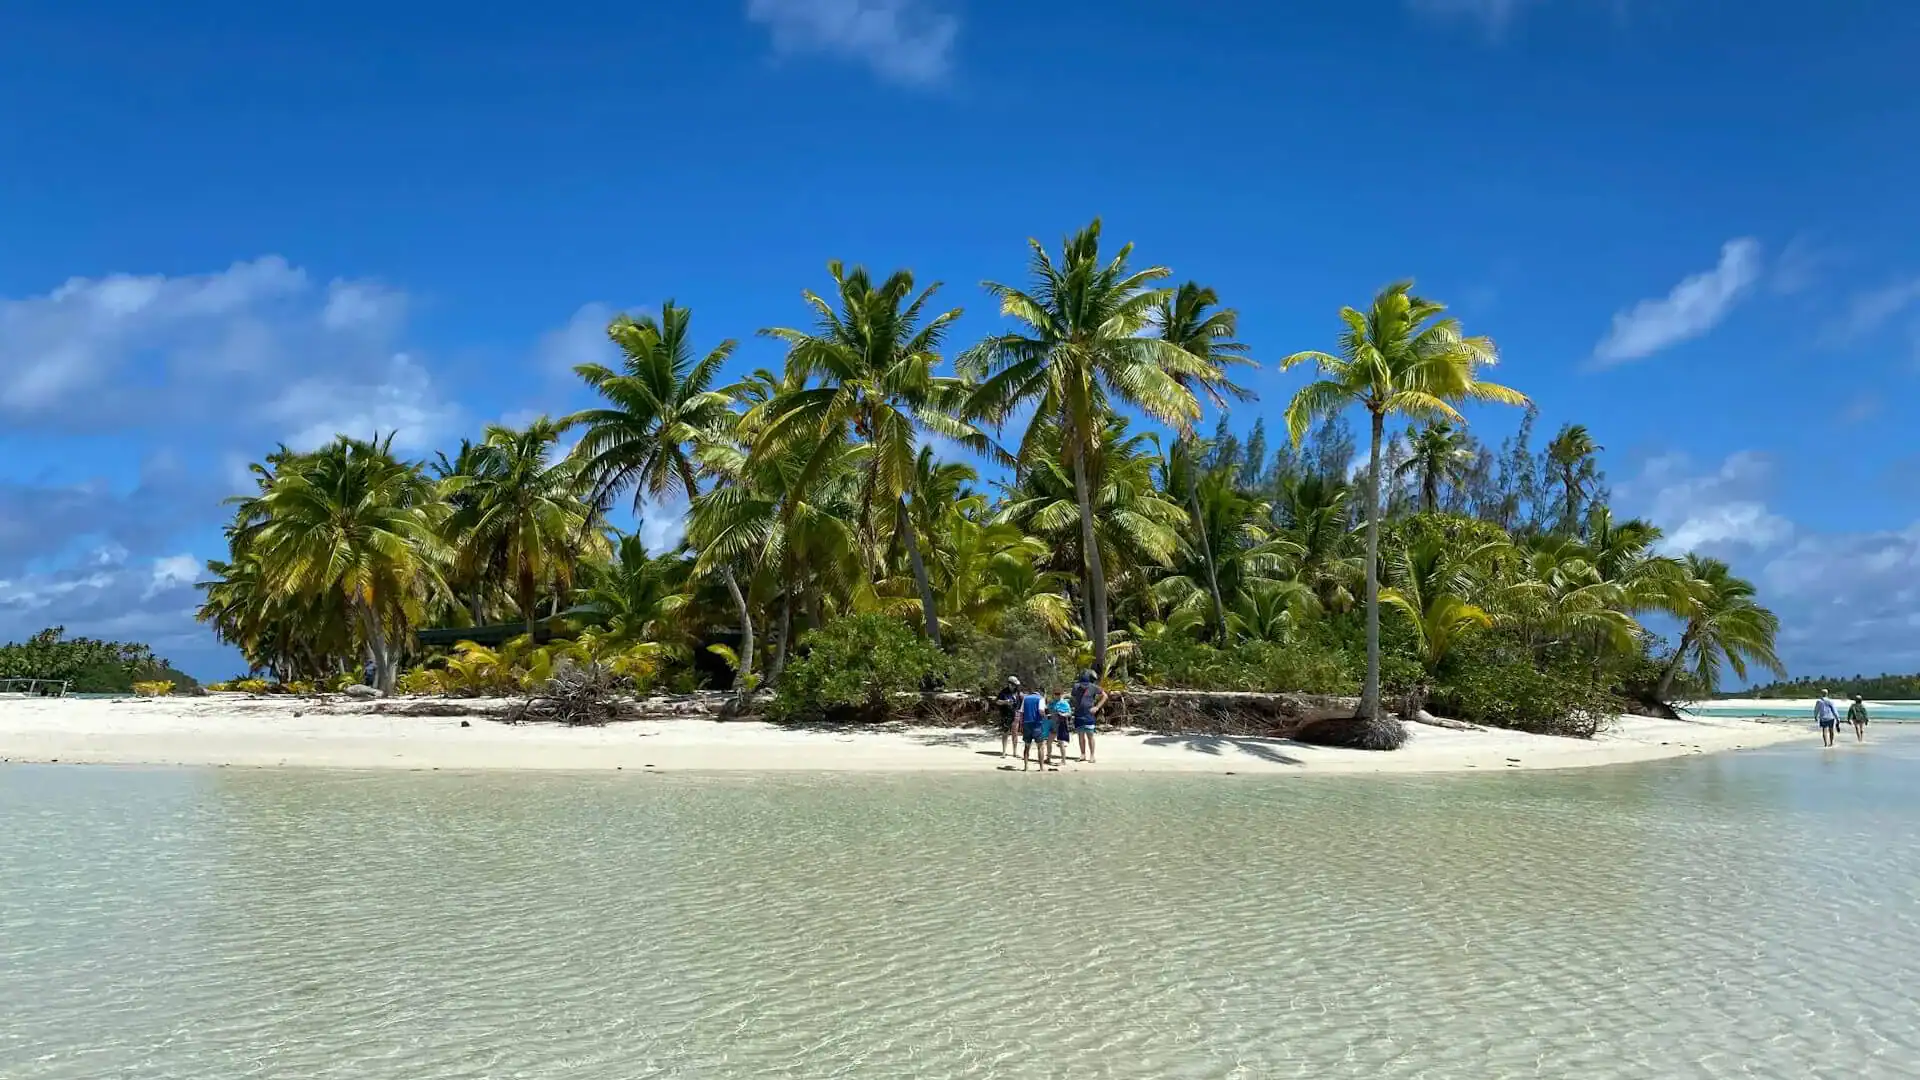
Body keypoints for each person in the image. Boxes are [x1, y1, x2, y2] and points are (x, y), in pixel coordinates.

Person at [1071, 669, 1108, 764]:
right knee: (1080, 736)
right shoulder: (1075, 687)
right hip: (1078, 715)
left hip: (1089, 716)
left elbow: (1105, 696)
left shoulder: (1093, 687)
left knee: (1090, 736)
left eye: (1086, 684)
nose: (1084, 686)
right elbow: (1073, 698)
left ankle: (1092, 756)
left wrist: (1097, 707)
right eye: (1083, 684)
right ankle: (1082, 754)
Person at [1020, 686, 1051, 770]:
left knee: (1027, 746)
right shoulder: (1040, 698)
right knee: (1040, 746)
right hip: (1037, 724)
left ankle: (1026, 767)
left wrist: (1021, 725)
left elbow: (1021, 712)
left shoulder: (1025, 698)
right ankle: (1041, 767)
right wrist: (1046, 717)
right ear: (1041, 692)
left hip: (1026, 724)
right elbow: (1041, 711)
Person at [994, 677, 1023, 758]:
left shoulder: (1018, 692)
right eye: (1014, 685)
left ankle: (1015, 752)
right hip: (1006, 715)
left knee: (1015, 733)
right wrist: (1005, 702)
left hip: (1016, 715)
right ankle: (1004, 752)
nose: (1015, 687)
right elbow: (997, 701)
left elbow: (1022, 702)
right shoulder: (1003, 692)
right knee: (1005, 733)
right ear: (1010, 684)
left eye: (1016, 685)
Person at [1049, 694, 1073, 760]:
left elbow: (1069, 713)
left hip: (1061, 724)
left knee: (1061, 743)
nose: (1057, 695)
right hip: (1053, 725)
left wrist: (1062, 714)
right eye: (1055, 694)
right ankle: (1048, 758)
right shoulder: (1052, 703)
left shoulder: (1064, 703)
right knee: (1049, 742)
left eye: (1058, 694)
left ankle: (1063, 760)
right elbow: (1049, 711)